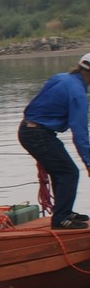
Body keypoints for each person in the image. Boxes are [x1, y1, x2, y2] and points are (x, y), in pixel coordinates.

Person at [18, 53, 90, 230]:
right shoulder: (78, 95)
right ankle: (61, 219)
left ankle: (63, 211)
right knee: (69, 172)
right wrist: (88, 162)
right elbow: (80, 133)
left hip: (28, 129)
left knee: (61, 171)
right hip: (38, 134)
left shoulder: (61, 78)